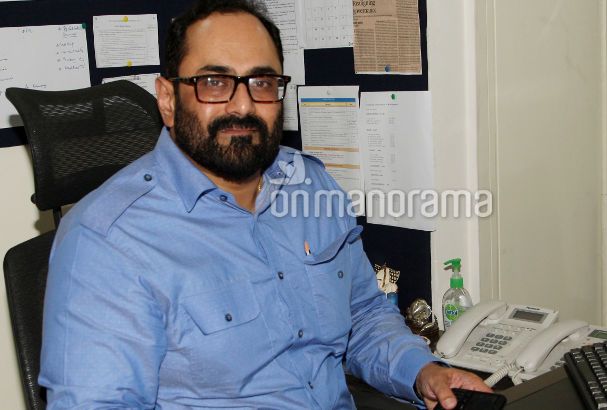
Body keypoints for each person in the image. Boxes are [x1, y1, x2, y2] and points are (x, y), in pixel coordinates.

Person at [38, 0, 491, 408]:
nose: (243, 106)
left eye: (261, 82)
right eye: (214, 82)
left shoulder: (312, 187)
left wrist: (423, 372)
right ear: (168, 99)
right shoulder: (106, 240)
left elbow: (363, 316)